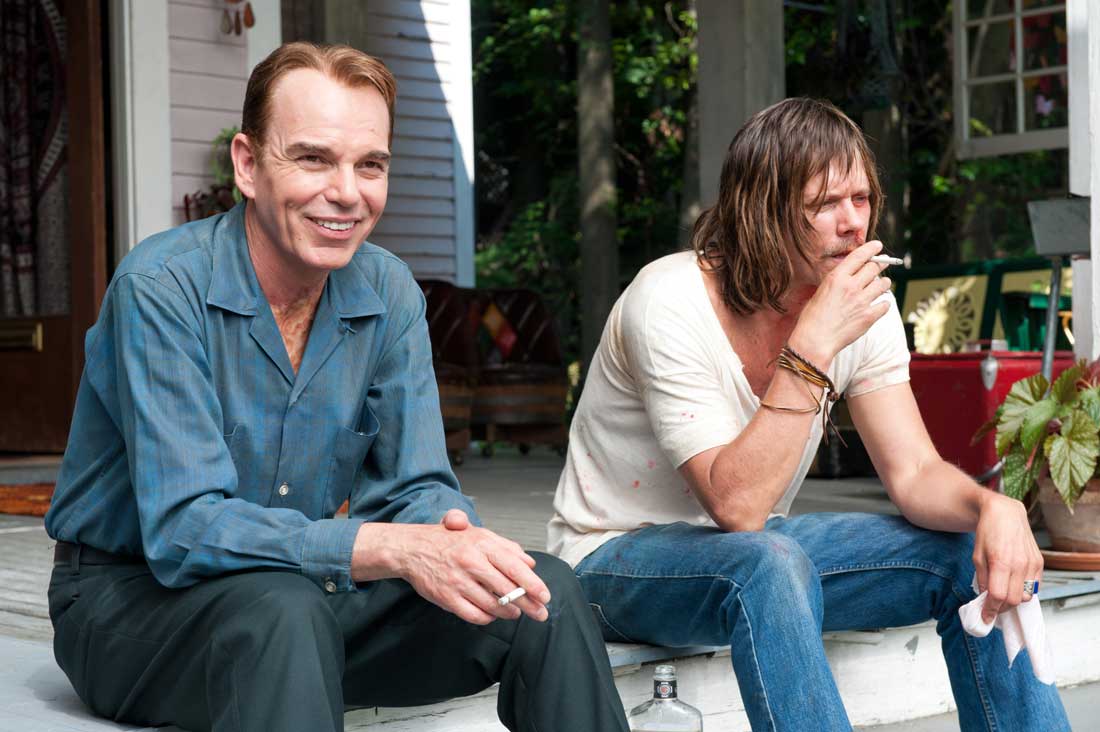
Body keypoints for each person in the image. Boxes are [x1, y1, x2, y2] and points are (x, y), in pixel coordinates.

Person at [44, 42, 628, 732]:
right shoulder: (161, 289)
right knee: (281, 614)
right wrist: (391, 550)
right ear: (248, 165)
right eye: (314, 158)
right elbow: (184, 528)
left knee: (540, 592)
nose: (347, 192)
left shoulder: (387, 289)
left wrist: (454, 542)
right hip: (132, 604)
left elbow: (417, 487)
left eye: (370, 165)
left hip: (302, 597)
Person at [548, 97, 1069, 731]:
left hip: (758, 560)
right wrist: (814, 344)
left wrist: (996, 509)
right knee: (767, 560)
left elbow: (913, 474)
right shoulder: (668, 299)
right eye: (825, 205)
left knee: (967, 552)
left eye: (862, 199)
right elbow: (738, 508)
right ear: (759, 214)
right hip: (610, 564)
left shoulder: (858, 307)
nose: (854, 225)